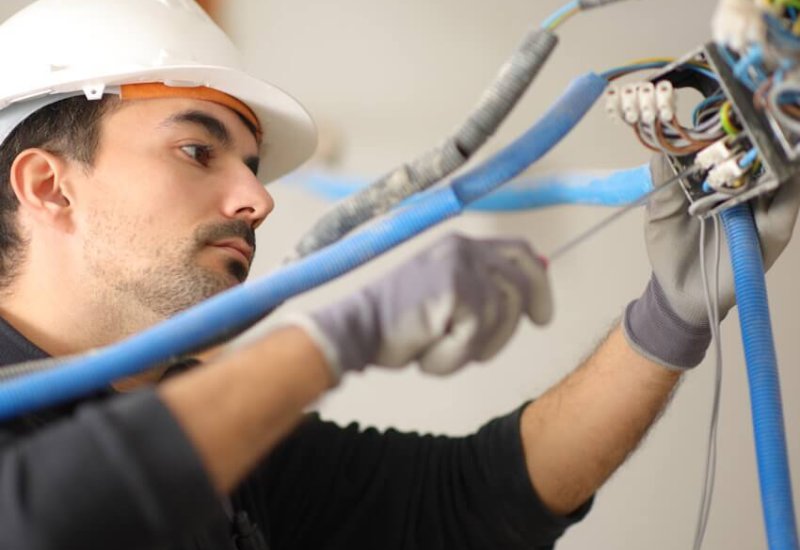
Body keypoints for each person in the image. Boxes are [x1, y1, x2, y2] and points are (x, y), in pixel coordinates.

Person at [0, 1, 798, 549]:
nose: (256, 197)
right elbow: (41, 515)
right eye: (197, 151)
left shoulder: (223, 442)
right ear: (48, 185)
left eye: (250, 164)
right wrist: (332, 341)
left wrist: (671, 319)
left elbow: (467, 501)